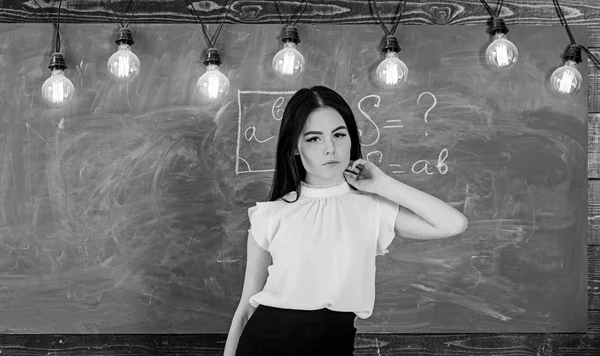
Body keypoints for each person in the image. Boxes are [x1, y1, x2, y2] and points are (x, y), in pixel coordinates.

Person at [223, 86, 468, 356]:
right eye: (314, 139)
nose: (330, 148)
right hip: (264, 343)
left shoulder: (373, 207)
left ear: (351, 138)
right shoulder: (269, 215)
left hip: (334, 343)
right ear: (294, 146)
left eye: (339, 135)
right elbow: (246, 308)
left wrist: (384, 184)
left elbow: (452, 224)